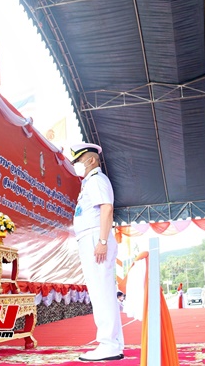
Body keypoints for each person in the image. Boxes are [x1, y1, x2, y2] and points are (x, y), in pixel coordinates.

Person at [70, 143, 124, 361]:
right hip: (92, 237)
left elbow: (107, 208)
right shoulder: (90, 182)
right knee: (103, 292)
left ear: (91, 160)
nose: (77, 166)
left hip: (95, 237)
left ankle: (108, 344)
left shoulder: (96, 180)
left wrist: (101, 241)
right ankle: (114, 343)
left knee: (100, 293)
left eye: (79, 162)